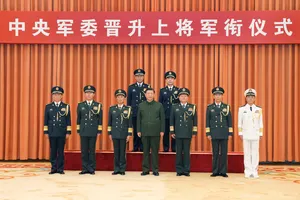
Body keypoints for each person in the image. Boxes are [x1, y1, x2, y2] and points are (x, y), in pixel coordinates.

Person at [137, 88, 165, 176]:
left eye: (151, 93)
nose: (149, 95)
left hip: (155, 131)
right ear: (145, 95)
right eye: (148, 93)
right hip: (144, 131)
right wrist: (138, 130)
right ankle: (145, 170)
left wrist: (162, 130)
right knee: (145, 151)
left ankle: (155, 170)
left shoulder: (159, 105)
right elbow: (138, 119)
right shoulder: (141, 105)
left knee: (155, 152)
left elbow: (162, 119)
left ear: (154, 94)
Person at [206, 87, 233, 178]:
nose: (218, 96)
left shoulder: (226, 107)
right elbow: (207, 121)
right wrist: (208, 133)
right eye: (216, 95)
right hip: (214, 133)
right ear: (213, 96)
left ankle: (223, 171)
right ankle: (215, 171)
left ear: (222, 96)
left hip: (224, 133)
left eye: (220, 95)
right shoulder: (210, 107)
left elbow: (230, 121)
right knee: (215, 152)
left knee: (224, 153)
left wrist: (230, 133)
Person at [170, 88, 197, 176]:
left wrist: (194, 132)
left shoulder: (192, 107)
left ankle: (186, 170)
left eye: (185, 96)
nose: (183, 97)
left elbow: (195, 121)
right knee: (178, 153)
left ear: (188, 97)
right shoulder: (174, 107)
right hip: (178, 132)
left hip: (188, 132)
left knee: (186, 152)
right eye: (181, 96)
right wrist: (172, 131)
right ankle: (179, 170)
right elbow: (172, 120)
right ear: (179, 97)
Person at [44, 86, 71, 174]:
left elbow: (68, 120)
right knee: (53, 151)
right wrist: (46, 132)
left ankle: (60, 168)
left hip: (62, 132)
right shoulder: (48, 107)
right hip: (52, 132)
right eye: (54, 94)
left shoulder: (66, 106)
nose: (56, 96)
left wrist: (68, 132)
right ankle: (53, 167)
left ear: (61, 96)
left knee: (61, 151)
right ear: (52, 96)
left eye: (58, 94)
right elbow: (46, 120)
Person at [77, 85, 103, 175]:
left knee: (92, 150)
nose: (88, 95)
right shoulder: (80, 105)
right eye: (87, 93)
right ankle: (84, 168)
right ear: (84, 94)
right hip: (83, 130)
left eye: (90, 93)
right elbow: (78, 119)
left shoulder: (98, 105)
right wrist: (78, 130)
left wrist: (99, 131)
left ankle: (91, 168)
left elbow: (100, 119)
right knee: (84, 150)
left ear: (94, 94)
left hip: (93, 130)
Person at [238, 88, 263, 178]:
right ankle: (248, 170)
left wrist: (260, 134)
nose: (250, 99)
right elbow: (239, 122)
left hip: (255, 134)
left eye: (252, 97)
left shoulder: (259, 109)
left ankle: (254, 170)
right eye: (248, 97)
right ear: (246, 98)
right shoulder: (242, 109)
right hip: (246, 133)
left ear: (255, 98)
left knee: (255, 153)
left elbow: (260, 122)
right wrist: (240, 133)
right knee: (247, 153)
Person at [108, 89, 132, 175]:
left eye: (122, 97)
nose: (120, 98)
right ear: (116, 98)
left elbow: (130, 123)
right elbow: (109, 122)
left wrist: (129, 134)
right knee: (116, 152)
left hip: (123, 133)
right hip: (115, 133)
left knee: (122, 152)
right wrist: (109, 133)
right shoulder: (112, 109)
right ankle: (116, 168)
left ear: (124, 98)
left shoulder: (128, 109)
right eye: (118, 97)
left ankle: (122, 169)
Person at [127, 69, 151, 152]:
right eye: (137, 76)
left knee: (144, 130)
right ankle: (135, 146)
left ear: (143, 77)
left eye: (141, 76)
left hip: (144, 113)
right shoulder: (131, 87)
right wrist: (129, 112)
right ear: (135, 77)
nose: (139, 77)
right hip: (134, 112)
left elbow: (149, 100)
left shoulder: (147, 87)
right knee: (136, 130)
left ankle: (143, 147)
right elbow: (129, 101)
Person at [159, 71, 179, 152]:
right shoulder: (162, 90)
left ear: (174, 80)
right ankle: (166, 148)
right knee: (166, 132)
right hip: (166, 114)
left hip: (175, 115)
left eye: (172, 78)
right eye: (168, 78)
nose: (170, 80)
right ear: (166, 80)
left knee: (174, 132)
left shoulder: (178, 90)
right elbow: (160, 103)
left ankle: (174, 148)